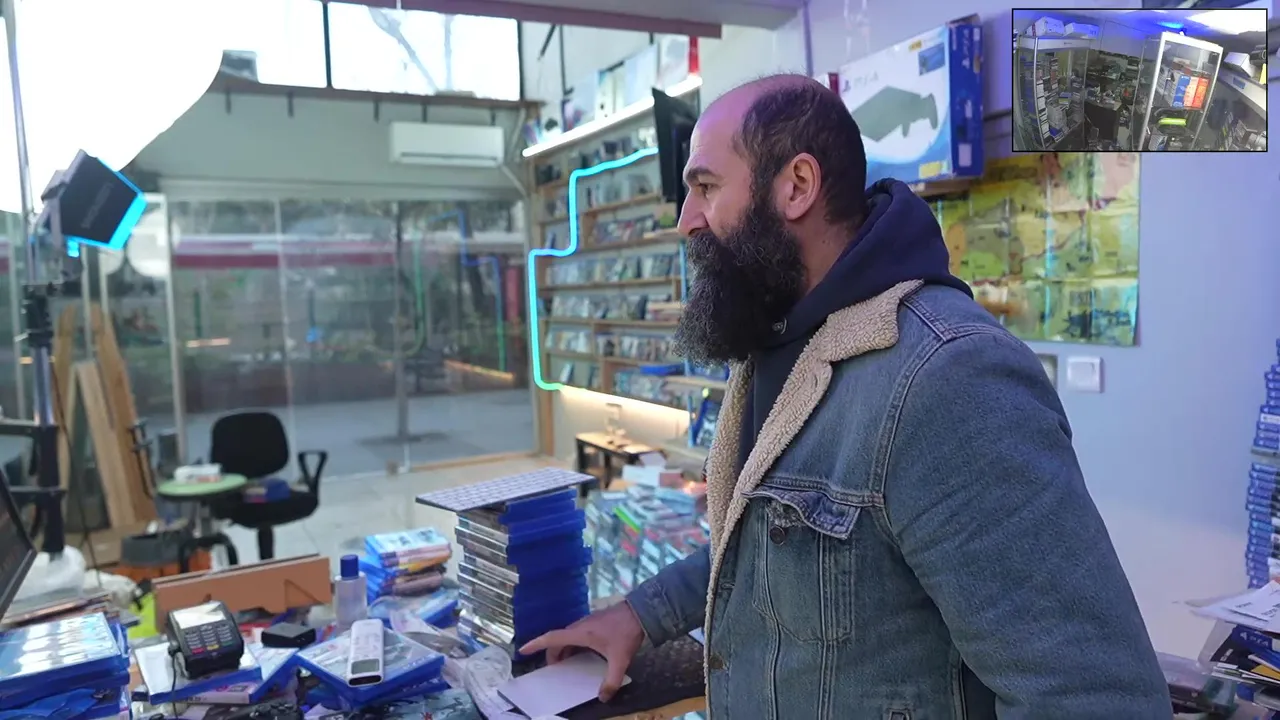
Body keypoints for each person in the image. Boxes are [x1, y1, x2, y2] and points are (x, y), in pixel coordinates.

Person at [521, 74, 1171, 719]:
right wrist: (641, 614)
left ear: (796, 186)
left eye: (706, 187)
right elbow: (776, 544)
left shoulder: (947, 377)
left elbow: (1089, 695)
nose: (686, 220)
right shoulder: (783, 337)